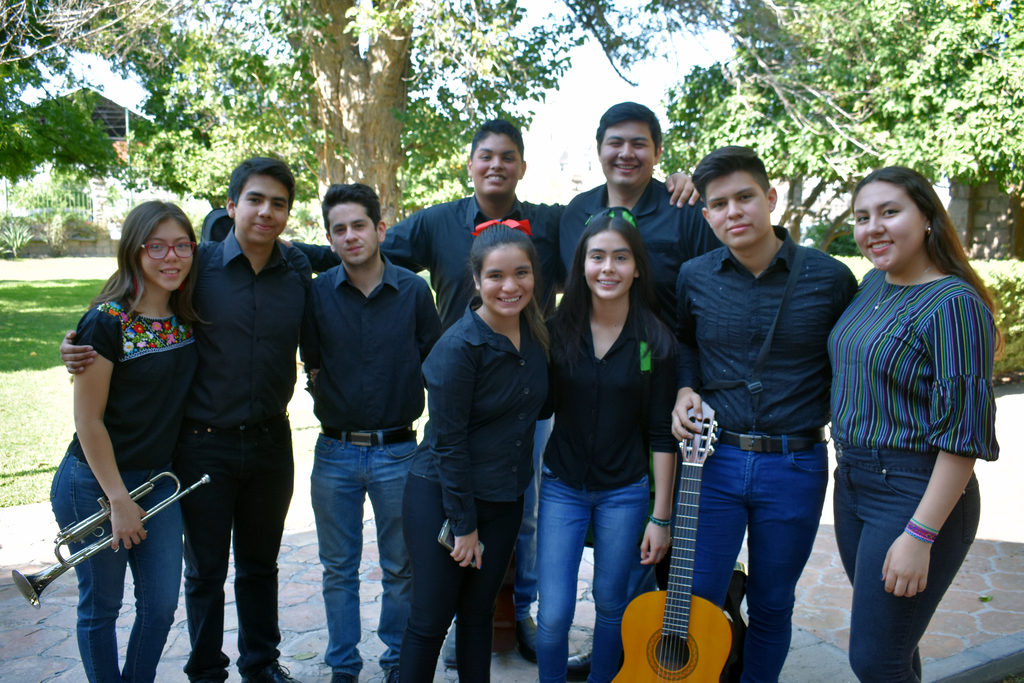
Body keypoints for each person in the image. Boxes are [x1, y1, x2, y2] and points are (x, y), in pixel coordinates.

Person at [62, 157, 312, 683]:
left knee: (259, 565)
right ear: (232, 206)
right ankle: (205, 671)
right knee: (204, 571)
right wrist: (77, 344)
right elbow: (127, 300)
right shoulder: (198, 270)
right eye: (255, 199)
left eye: (279, 203)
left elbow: (350, 255)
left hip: (271, 441)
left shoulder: (298, 271)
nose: (266, 212)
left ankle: (261, 664)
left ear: (288, 212)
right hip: (202, 445)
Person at [673, 146, 857, 683]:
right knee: (698, 598)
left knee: (773, 603)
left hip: (794, 464)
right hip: (714, 460)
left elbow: (850, 361)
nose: (733, 212)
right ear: (706, 214)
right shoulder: (693, 276)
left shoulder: (829, 277)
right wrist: (684, 387)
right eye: (719, 204)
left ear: (771, 198)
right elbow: (685, 343)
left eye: (745, 197)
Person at [557, 102, 719, 677]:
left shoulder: (683, 210)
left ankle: (648, 645)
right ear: (600, 147)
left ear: (657, 152)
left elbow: (708, 299)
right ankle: (618, 639)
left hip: (668, 384)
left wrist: (689, 382)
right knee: (613, 526)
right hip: (598, 384)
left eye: (640, 143)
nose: (626, 153)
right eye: (616, 142)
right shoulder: (576, 213)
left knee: (664, 519)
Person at [828, 166, 999, 683]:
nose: (873, 227)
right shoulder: (871, 285)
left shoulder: (954, 305)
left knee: (875, 660)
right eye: (862, 217)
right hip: (852, 483)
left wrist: (920, 534)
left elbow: (963, 437)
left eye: (889, 212)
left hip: (913, 492)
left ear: (927, 217)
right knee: (894, 647)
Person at [51, 201, 199, 683]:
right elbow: (88, 421)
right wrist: (118, 500)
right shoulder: (106, 322)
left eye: (182, 246)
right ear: (134, 251)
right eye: (157, 246)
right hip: (95, 484)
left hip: (158, 482)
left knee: (160, 607)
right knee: (102, 607)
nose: (171, 257)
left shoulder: (186, 315)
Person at [398, 223, 550, 681]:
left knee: (479, 613)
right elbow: (449, 444)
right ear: (476, 279)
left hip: (505, 497)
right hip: (443, 497)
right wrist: (464, 527)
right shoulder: (459, 347)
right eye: (496, 276)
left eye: (521, 273)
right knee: (429, 621)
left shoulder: (537, 335)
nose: (510, 286)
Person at [303, 183, 441, 683]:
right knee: (338, 569)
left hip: (398, 452)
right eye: (338, 229)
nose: (350, 236)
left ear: (380, 229)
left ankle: (397, 662)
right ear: (329, 238)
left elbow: (435, 363)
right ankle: (343, 666)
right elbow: (312, 361)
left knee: (402, 567)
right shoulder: (317, 293)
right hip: (334, 452)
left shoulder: (414, 292)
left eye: (359, 225)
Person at [535, 209, 677, 683]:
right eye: (597, 257)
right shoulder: (557, 331)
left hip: (625, 491)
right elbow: (537, 405)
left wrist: (661, 518)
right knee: (553, 614)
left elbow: (662, 434)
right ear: (581, 266)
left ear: (637, 268)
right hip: (562, 486)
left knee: (613, 604)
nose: (608, 268)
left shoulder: (652, 341)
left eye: (621, 257)